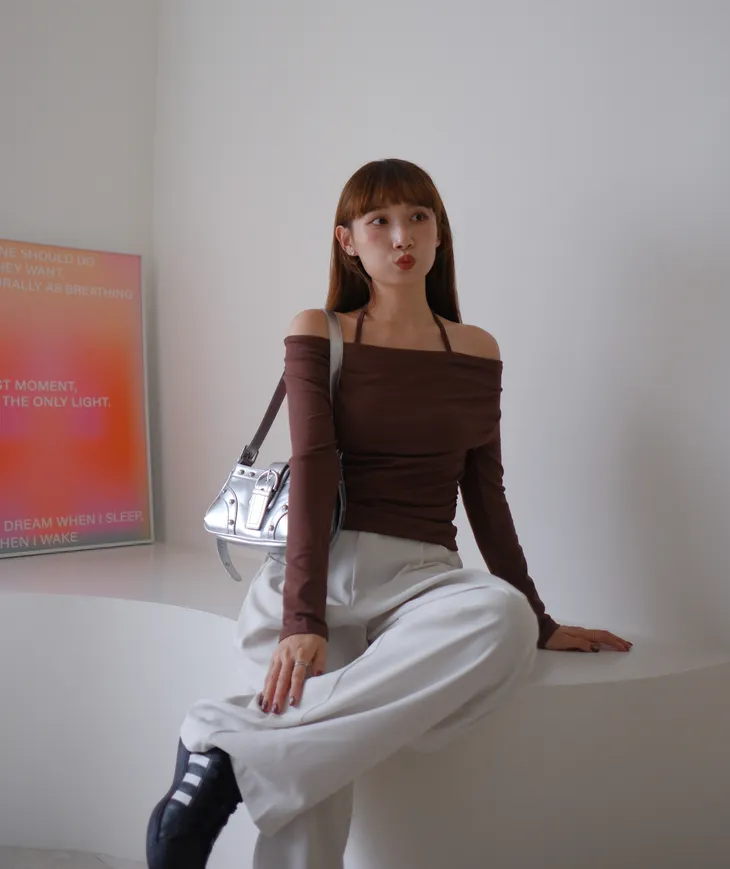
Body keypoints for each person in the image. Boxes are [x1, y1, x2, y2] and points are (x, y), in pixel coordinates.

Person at [146, 158, 632, 869]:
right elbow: (314, 465)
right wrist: (303, 619)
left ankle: (224, 748)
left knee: (502, 617)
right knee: (314, 800)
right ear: (347, 240)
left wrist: (540, 616)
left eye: (418, 217)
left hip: (423, 580)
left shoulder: (475, 348)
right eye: (380, 220)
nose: (402, 236)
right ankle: (244, 754)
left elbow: (485, 490)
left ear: (439, 234)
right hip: (318, 570)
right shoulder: (320, 330)